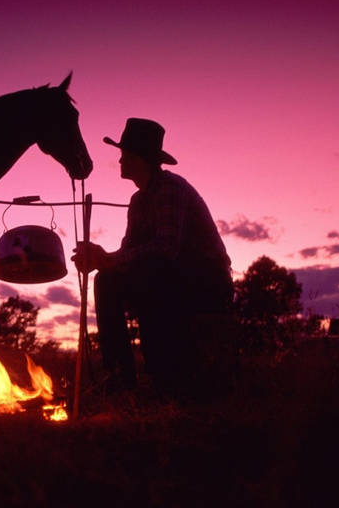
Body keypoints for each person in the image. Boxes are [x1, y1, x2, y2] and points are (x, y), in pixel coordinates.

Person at [72, 118, 234, 399]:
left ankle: (161, 375)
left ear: (138, 158)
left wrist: (108, 259)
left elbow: (166, 249)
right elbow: (128, 255)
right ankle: (121, 376)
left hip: (206, 282)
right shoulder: (138, 202)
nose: (120, 161)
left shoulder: (170, 189)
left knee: (150, 272)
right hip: (171, 278)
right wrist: (101, 258)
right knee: (108, 279)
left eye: (124, 155)